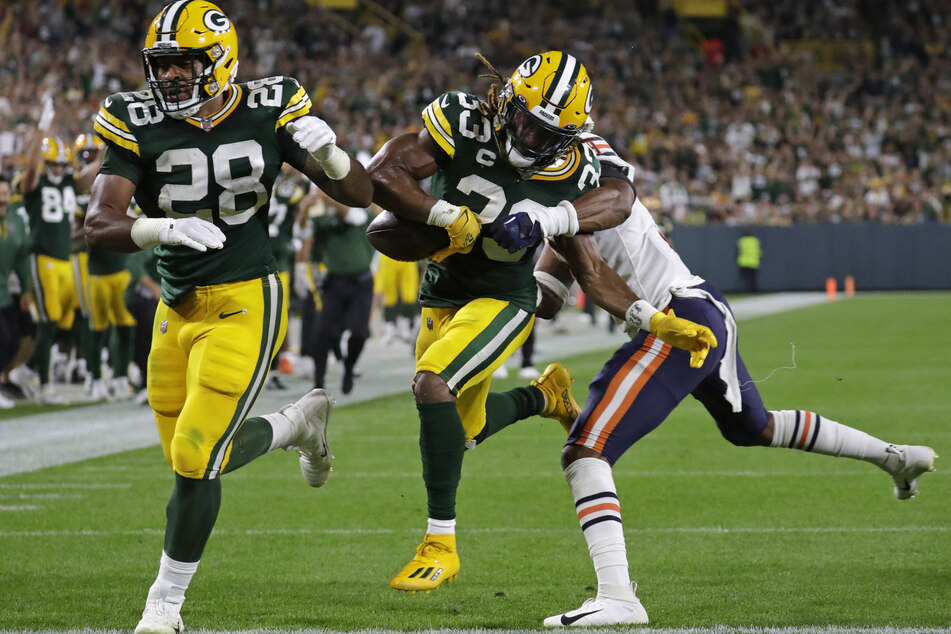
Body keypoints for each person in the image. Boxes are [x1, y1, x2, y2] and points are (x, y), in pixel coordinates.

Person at [533, 134, 938, 627]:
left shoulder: (583, 188)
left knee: (585, 450)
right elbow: (548, 299)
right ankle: (895, 457)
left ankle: (618, 595)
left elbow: (597, 253)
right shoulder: (562, 203)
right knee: (754, 428)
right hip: (705, 308)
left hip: (677, 320)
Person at [367, 50, 711, 593]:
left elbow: (595, 265)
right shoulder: (463, 119)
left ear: (572, 134)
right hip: (441, 294)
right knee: (461, 433)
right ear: (508, 101)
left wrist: (653, 320)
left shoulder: (569, 173)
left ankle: (439, 544)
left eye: (545, 131)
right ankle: (543, 397)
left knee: (432, 384)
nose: (528, 135)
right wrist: (439, 215)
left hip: (503, 298)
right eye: (524, 118)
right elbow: (380, 174)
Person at [83, 3, 373, 632]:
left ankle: (164, 604)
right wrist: (159, 226)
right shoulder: (137, 119)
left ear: (221, 59)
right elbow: (99, 222)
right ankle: (296, 424)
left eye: (186, 62)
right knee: (192, 463)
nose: (172, 77)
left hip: (247, 296)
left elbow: (361, 197)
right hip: (175, 304)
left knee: (196, 454)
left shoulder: (271, 107)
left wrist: (336, 159)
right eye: (162, 64)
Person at [19, 96, 101, 403]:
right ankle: (43, 384)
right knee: (50, 319)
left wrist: (108, 144)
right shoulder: (35, 185)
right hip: (43, 259)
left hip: (65, 258)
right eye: (51, 164)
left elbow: (89, 176)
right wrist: (42, 128)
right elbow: (30, 170)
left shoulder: (68, 181)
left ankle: (28, 369)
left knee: (65, 321)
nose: (57, 168)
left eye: (61, 164)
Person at [299, 188, 377, 394]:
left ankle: (349, 367)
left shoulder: (359, 210)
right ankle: (318, 384)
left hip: (361, 282)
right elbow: (303, 232)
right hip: (334, 283)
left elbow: (353, 217)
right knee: (322, 334)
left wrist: (328, 197)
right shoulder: (323, 218)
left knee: (359, 333)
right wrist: (304, 210)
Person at [0, 176, 33, 408]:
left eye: (5, 193)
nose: (2, 198)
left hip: (3, 290)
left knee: (12, 337)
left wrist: (25, 289)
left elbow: (21, 256)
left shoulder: (14, 221)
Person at [736, 227, 762, 293]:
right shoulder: (755, 241)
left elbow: (738, 252)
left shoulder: (742, 241)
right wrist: (759, 260)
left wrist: (737, 262)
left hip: (743, 262)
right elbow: (759, 252)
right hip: (754, 262)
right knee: (753, 279)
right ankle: (754, 291)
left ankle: (743, 291)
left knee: (744, 279)